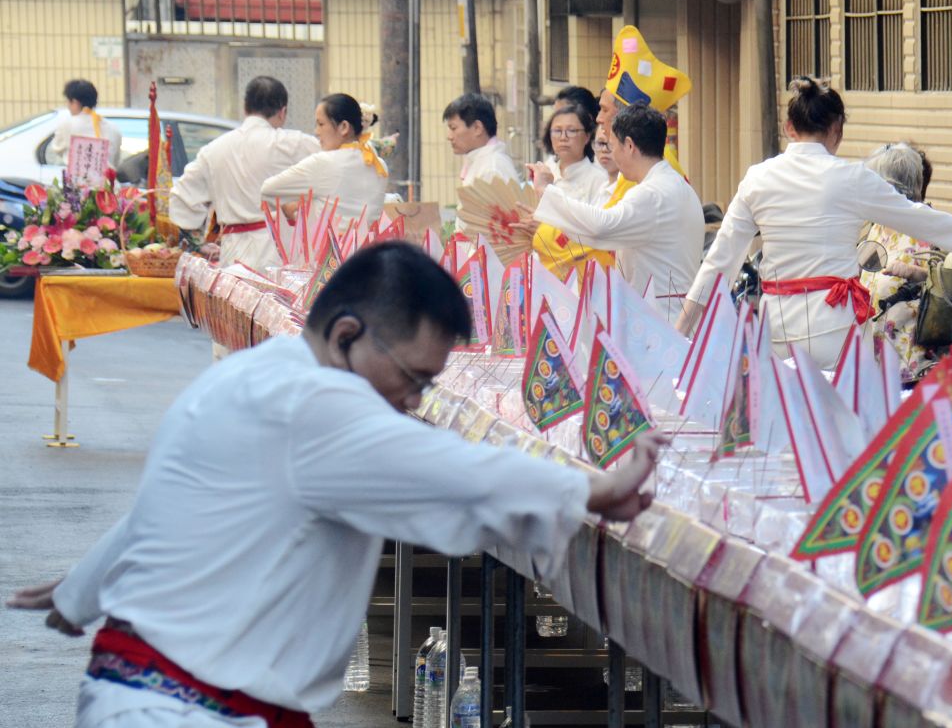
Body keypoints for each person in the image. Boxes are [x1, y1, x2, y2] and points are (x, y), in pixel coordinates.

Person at [7, 241, 664, 728]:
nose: (412, 402)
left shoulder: (253, 377)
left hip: (166, 692)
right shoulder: (316, 400)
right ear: (348, 333)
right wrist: (594, 489)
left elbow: (171, 507)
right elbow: (446, 467)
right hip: (182, 706)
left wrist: (85, 586)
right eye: (412, 378)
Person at [677, 77, 952, 368]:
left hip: (776, 326)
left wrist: (681, 331)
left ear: (789, 128)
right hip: (833, 327)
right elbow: (915, 216)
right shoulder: (850, 178)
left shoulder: (757, 178)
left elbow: (719, 261)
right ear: (836, 129)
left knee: (787, 428)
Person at [532, 26, 692, 280]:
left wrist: (546, 200)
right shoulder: (644, 173)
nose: (598, 118)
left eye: (605, 110)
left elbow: (601, 228)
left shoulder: (652, 185)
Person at [525, 104, 705, 322]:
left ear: (629, 146)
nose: (612, 155)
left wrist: (547, 191)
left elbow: (601, 227)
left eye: (612, 146)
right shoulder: (674, 185)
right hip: (667, 310)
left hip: (658, 318)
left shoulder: (652, 193)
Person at [169, 76, 321, 270]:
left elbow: (181, 196)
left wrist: (197, 242)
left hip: (233, 251)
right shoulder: (292, 143)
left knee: (233, 299)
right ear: (283, 112)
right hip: (277, 249)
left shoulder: (213, 150)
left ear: (245, 107)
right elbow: (332, 163)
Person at [859, 143, 936, 382]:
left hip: (909, 359)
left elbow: (944, 279)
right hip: (873, 350)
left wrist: (915, 273)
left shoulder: (925, 225)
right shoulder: (877, 226)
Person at [261, 93, 388, 226]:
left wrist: (293, 208)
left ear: (344, 127)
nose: (317, 131)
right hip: (374, 246)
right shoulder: (380, 165)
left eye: (321, 124)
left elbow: (268, 190)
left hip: (330, 246)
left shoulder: (324, 163)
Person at [537, 104, 610, 208]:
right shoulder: (546, 170)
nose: (563, 138)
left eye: (571, 131)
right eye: (557, 131)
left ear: (587, 136)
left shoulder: (600, 180)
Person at [444, 92, 520, 188]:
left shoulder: (491, 169)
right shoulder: (484, 162)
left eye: (453, 128)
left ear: (477, 128)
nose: (449, 136)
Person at [48, 79, 123, 168]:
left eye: (68, 101)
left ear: (75, 102)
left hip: (77, 180)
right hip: (107, 180)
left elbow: (56, 148)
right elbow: (116, 160)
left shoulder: (67, 124)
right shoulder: (113, 128)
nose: (67, 106)